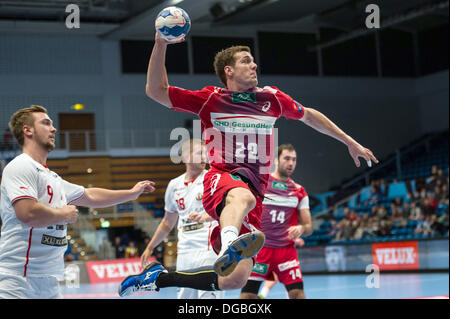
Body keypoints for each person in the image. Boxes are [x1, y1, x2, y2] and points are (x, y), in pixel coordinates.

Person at [118, 32, 378, 296]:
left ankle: (157, 279)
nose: (254, 65)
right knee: (242, 195)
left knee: (235, 280)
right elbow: (156, 90)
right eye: (246, 61)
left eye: (253, 61)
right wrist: (161, 43)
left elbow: (309, 115)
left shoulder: (271, 98)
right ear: (228, 71)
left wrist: (348, 141)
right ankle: (231, 241)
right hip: (220, 180)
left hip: (254, 193)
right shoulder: (211, 99)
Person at [0, 105, 156, 299]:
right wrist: (63, 214)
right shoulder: (20, 166)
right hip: (18, 280)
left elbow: (90, 196)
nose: (54, 128)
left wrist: (131, 194)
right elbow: (27, 212)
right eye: (46, 123)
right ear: (27, 130)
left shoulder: (52, 177)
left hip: (49, 281)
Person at [135, 139, 224, 299]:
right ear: (186, 157)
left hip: (209, 249)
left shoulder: (213, 180)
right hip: (185, 252)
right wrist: (150, 246)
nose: (204, 157)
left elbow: (225, 211)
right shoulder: (174, 185)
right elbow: (167, 222)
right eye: (199, 153)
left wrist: (205, 217)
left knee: (209, 297)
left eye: (206, 154)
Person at [240, 144, 312, 299]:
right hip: (260, 250)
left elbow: (309, 227)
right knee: (247, 296)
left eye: (294, 159)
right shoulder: (261, 184)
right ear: (276, 160)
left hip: (286, 253)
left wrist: (301, 228)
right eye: (287, 158)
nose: (291, 163)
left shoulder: (299, 191)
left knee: (297, 294)